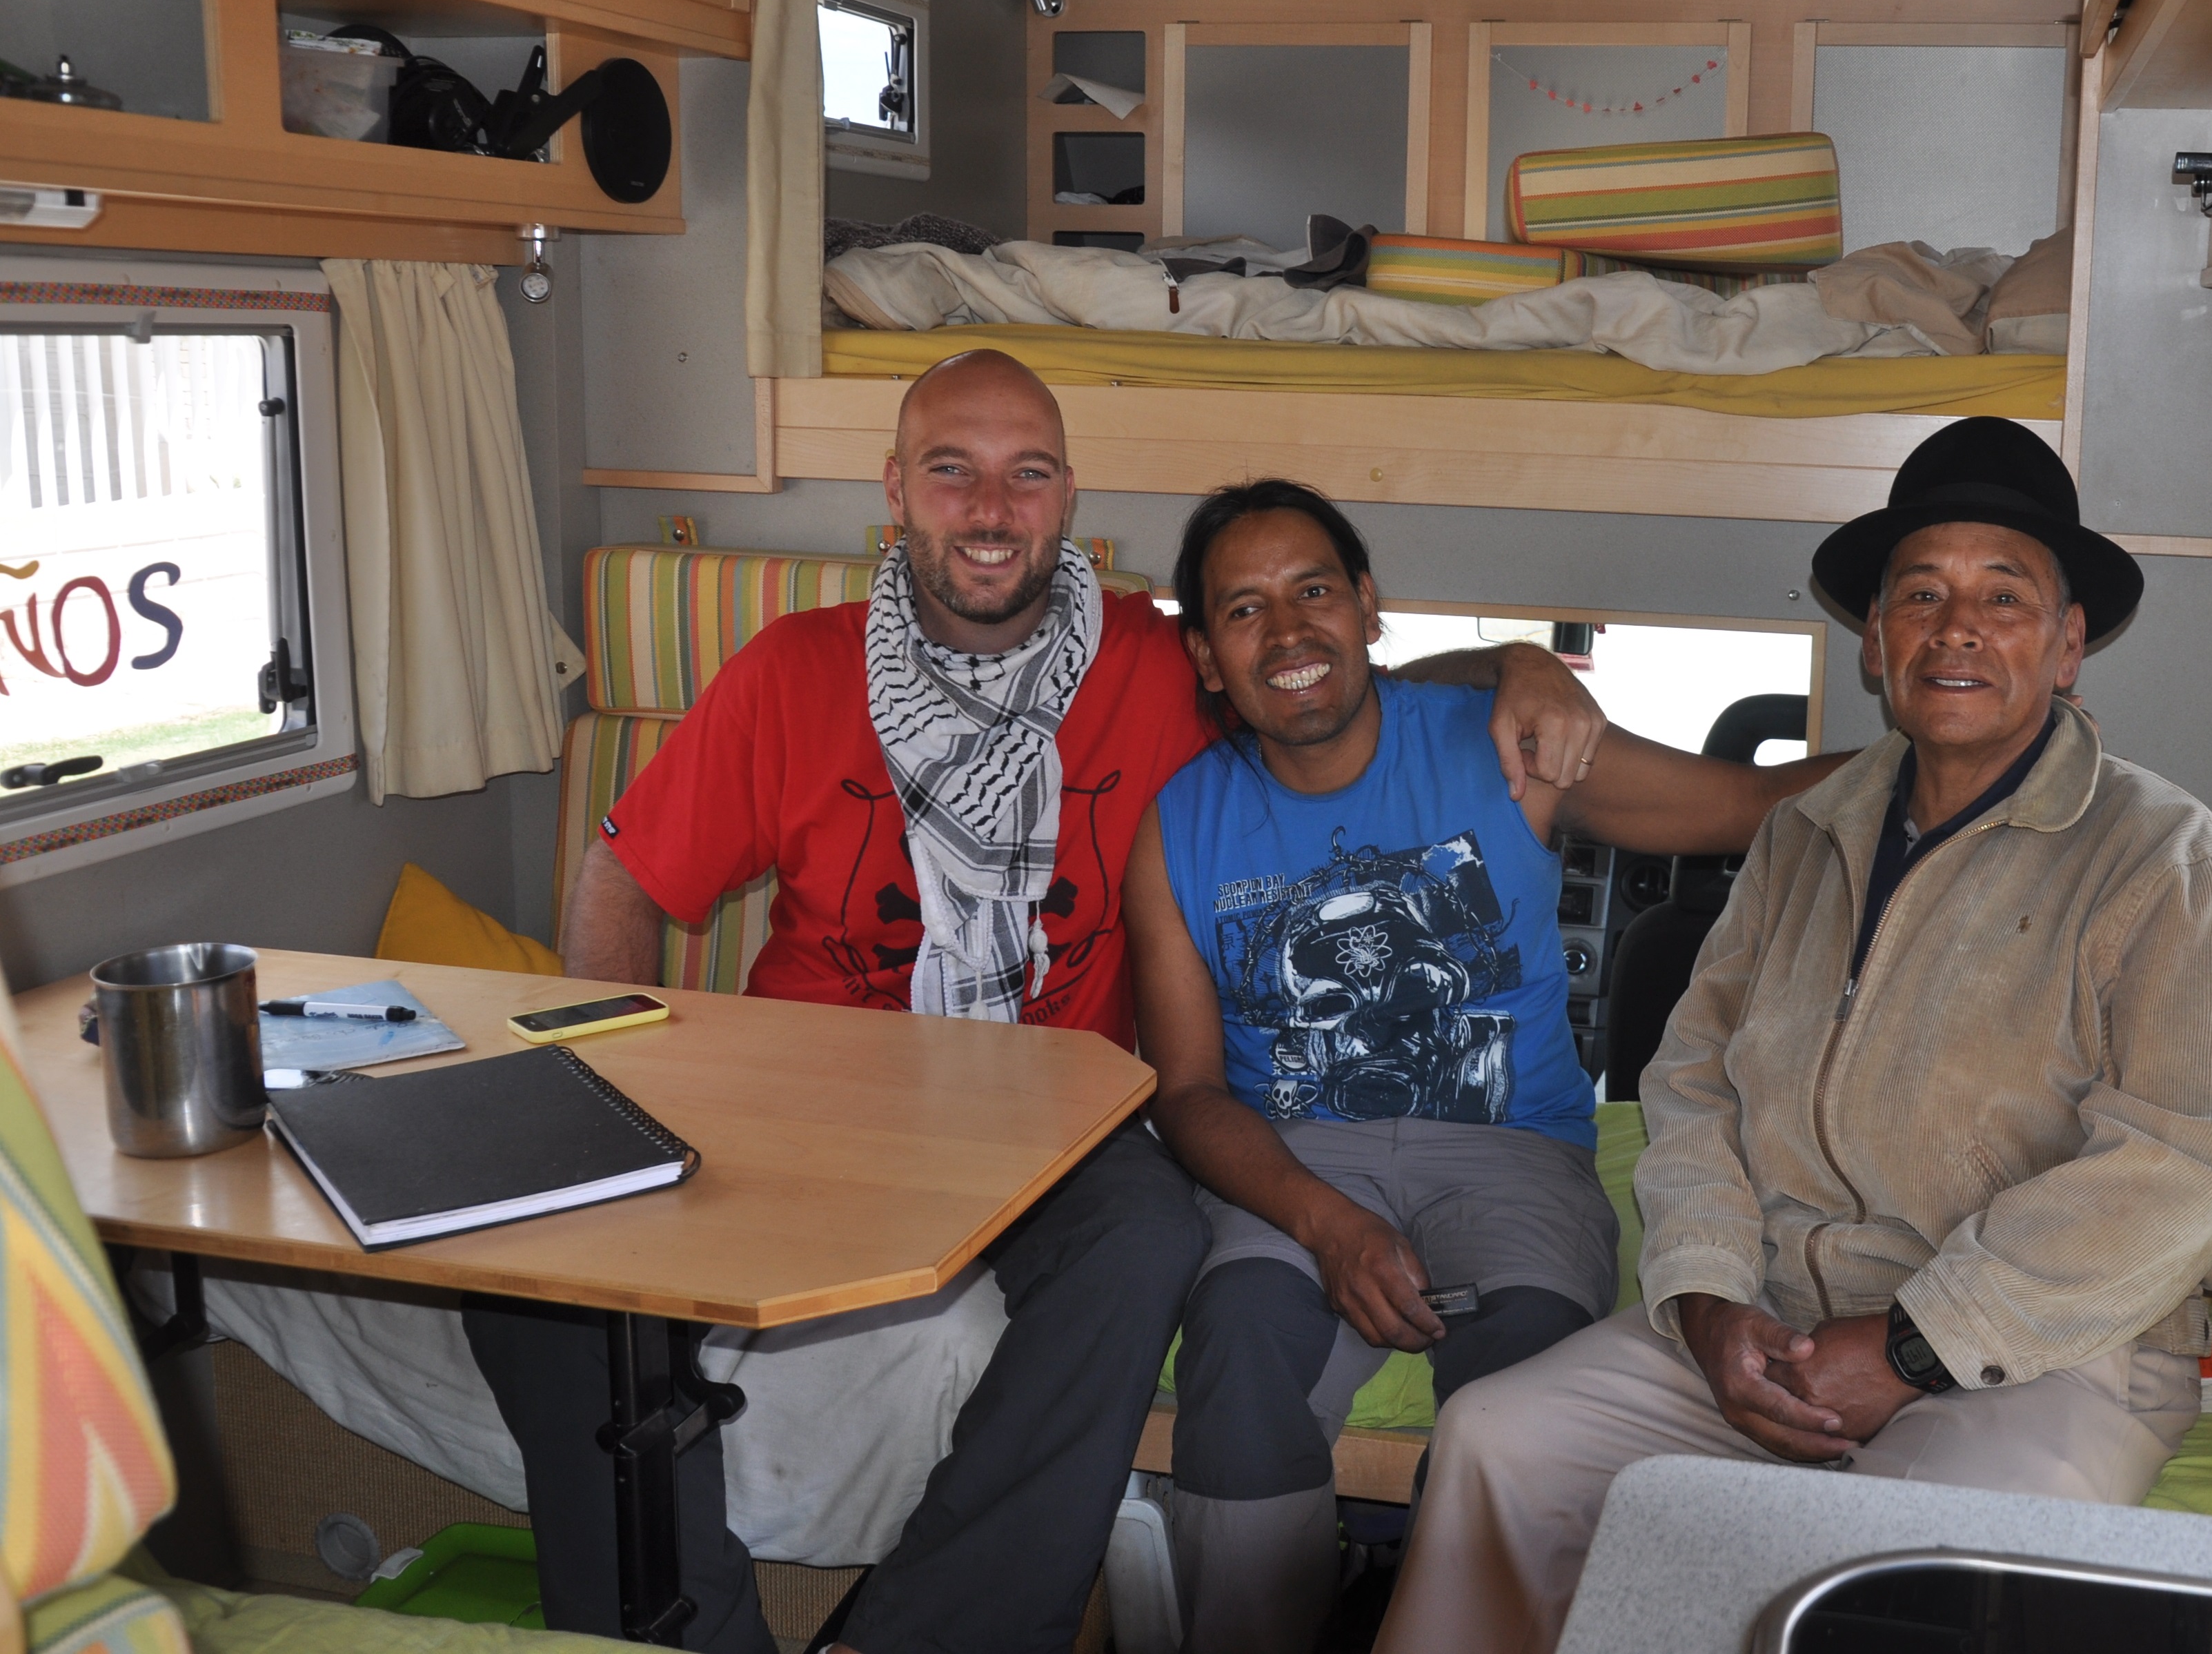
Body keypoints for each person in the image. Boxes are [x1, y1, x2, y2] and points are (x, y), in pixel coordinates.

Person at [463, 351, 1607, 1654]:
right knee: (538, 1284)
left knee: (1149, 1239)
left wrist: (1520, 662)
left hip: (1049, 1118)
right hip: (810, 1096)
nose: (991, 509)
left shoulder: (1153, 661)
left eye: (1028, 474)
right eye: (952, 471)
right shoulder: (793, 671)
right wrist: (615, 1090)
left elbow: (1319, 680)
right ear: (896, 490)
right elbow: (623, 876)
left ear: (1068, 499)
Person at [1374, 417, 2212, 1654]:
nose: (1957, 628)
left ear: (2069, 646)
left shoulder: (2165, 859)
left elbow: (2179, 1161)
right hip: (1783, 1312)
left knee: (1891, 1565)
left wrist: (1916, 1345)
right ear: (1875, 640)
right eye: (1922, 595)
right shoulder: (1807, 830)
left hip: (2050, 1347)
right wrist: (1707, 1299)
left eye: (2003, 597)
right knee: (1496, 1438)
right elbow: (1693, 1080)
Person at [1123, 480, 1845, 1654]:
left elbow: (1747, 804)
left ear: (1367, 607)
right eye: (1245, 610)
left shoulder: (1504, 746)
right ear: (1206, 654)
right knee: (1240, 1354)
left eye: (1315, 592)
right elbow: (1190, 1090)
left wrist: (1968, 752)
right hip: (1294, 1162)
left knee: (1525, 1389)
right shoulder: (1181, 826)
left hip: (1513, 1155)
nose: (1290, 632)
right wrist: (1326, 1225)